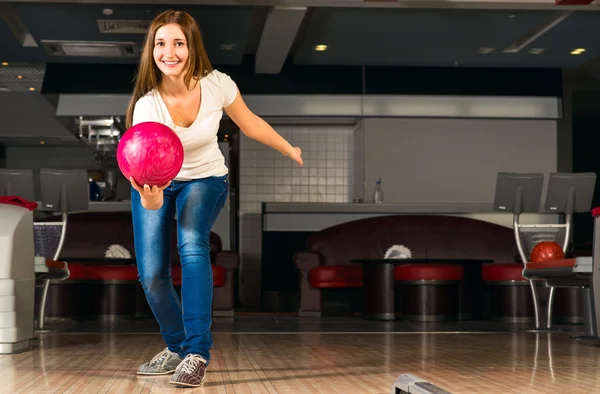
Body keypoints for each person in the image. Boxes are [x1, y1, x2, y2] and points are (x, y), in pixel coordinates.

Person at [125, 9, 303, 388]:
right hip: (155, 182)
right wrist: (152, 201)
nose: (168, 52)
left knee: (192, 243)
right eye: (160, 43)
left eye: (178, 43)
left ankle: (196, 354)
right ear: (151, 50)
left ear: (192, 47)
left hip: (205, 179)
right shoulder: (147, 107)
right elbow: (145, 182)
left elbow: (250, 123)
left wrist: (288, 148)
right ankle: (177, 347)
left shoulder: (217, 84)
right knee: (152, 275)